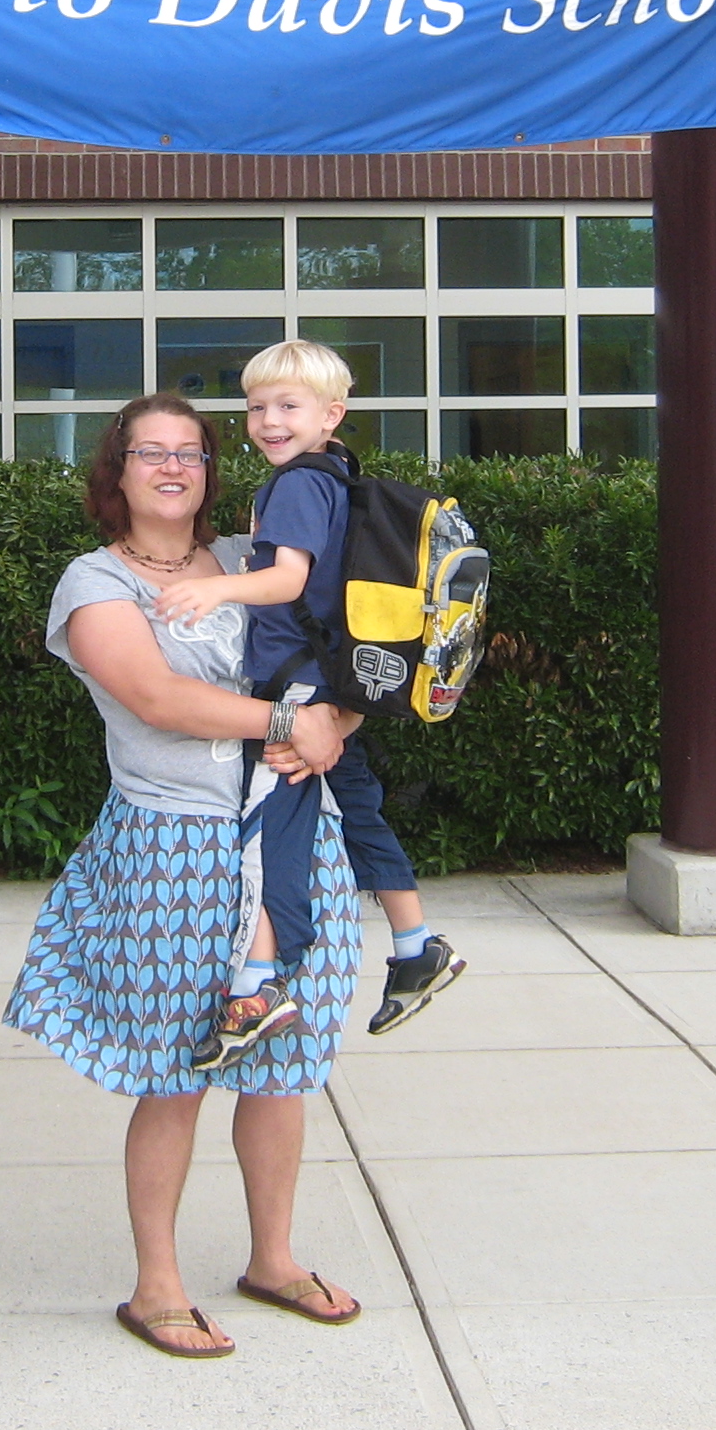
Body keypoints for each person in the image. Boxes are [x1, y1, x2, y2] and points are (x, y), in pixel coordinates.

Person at [4, 391, 369, 1359]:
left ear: (211, 471)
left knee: (284, 1064)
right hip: (175, 848)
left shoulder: (257, 562)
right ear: (115, 471)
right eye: (150, 452)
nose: (172, 467)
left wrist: (337, 720)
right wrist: (291, 723)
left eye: (191, 453)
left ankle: (273, 1259)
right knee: (178, 1069)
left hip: (293, 834)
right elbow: (158, 697)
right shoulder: (94, 583)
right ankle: (156, 1284)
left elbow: (341, 657)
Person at [157, 340, 465, 1064]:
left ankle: (258, 984)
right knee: (357, 806)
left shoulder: (296, 483)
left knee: (268, 826)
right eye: (256, 406)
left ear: (331, 414)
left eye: (287, 406)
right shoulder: (335, 473)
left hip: (297, 681)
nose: (268, 421)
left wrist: (215, 587)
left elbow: (288, 580)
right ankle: (416, 944)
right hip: (331, 674)